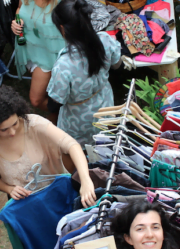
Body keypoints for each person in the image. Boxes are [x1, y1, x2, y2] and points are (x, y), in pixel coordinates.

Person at [0, 86, 96, 249]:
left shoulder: (35, 124)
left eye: (15, 123)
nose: (12, 131)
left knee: (67, 234)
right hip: (25, 204)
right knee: (34, 241)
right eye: (4, 129)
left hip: (56, 195)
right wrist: (8, 188)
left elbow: (72, 145)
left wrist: (86, 179)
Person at [47, 0, 122, 146]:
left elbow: (55, 103)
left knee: (78, 155)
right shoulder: (105, 40)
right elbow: (118, 66)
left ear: (62, 29)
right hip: (105, 107)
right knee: (105, 148)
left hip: (78, 122)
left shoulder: (64, 65)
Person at [11, 0, 66, 122]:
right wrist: (16, 23)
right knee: (48, 89)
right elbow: (20, 10)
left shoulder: (61, 3)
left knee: (36, 100)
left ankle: (62, 111)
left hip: (49, 55)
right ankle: (59, 108)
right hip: (29, 49)